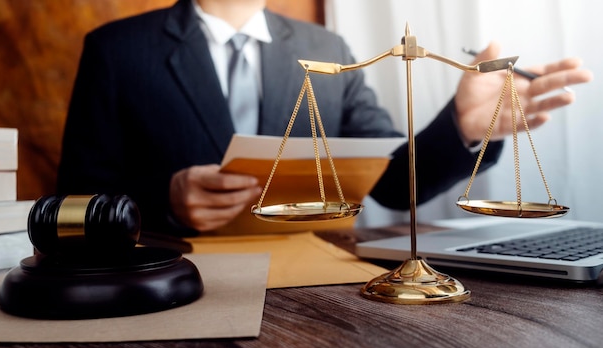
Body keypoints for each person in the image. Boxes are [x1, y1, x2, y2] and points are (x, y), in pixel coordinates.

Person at [56, 0, 592, 237]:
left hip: (318, 279)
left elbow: (391, 184)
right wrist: (161, 200)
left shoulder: (326, 46)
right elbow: (70, 205)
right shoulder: (116, 49)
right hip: (176, 278)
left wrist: (463, 126)